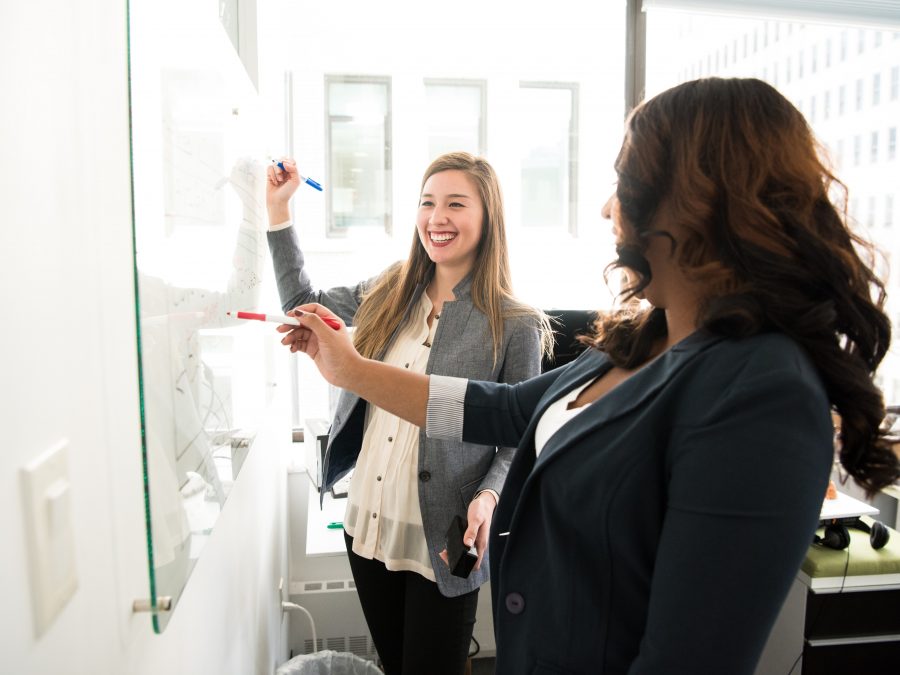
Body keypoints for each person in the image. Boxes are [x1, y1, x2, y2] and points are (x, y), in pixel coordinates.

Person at [277, 78, 900, 674]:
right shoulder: (639, 338)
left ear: (699, 201)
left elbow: (684, 661)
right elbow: (503, 409)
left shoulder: (762, 393)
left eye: (624, 183)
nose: (607, 208)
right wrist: (353, 370)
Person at [266, 152, 551, 674]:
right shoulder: (391, 289)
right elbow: (303, 302)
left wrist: (489, 497)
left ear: (488, 217)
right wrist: (279, 212)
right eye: (427, 203)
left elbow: (520, 435)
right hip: (369, 522)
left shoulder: (515, 323)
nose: (436, 218)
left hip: (444, 535)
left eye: (455, 204)